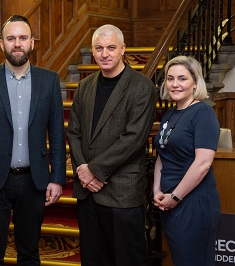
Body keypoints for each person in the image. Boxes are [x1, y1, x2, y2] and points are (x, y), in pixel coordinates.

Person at [0, 15, 66, 266]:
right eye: (11, 38)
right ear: (2, 44)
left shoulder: (49, 80)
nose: (17, 43)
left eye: (23, 38)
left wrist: (57, 178)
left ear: (32, 43)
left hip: (34, 181)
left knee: (30, 254)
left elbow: (56, 132)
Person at [66, 24, 156, 266]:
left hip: (122, 192)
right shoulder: (85, 86)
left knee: (127, 260)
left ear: (123, 49)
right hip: (88, 193)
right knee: (93, 259)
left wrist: (94, 170)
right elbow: (73, 133)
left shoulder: (141, 87)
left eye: (111, 48)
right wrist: (83, 170)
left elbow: (134, 139)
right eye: (99, 48)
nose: (104, 54)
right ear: (93, 52)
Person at [153, 55, 221, 265]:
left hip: (194, 203)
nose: (175, 84)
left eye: (182, 78)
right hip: (170, 203)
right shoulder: (169, 114)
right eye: (170, 78)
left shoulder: (203, 113)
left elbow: (203, 163)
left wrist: (175, 196)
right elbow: (161, 156)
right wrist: (156, 191)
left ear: (194, 82)